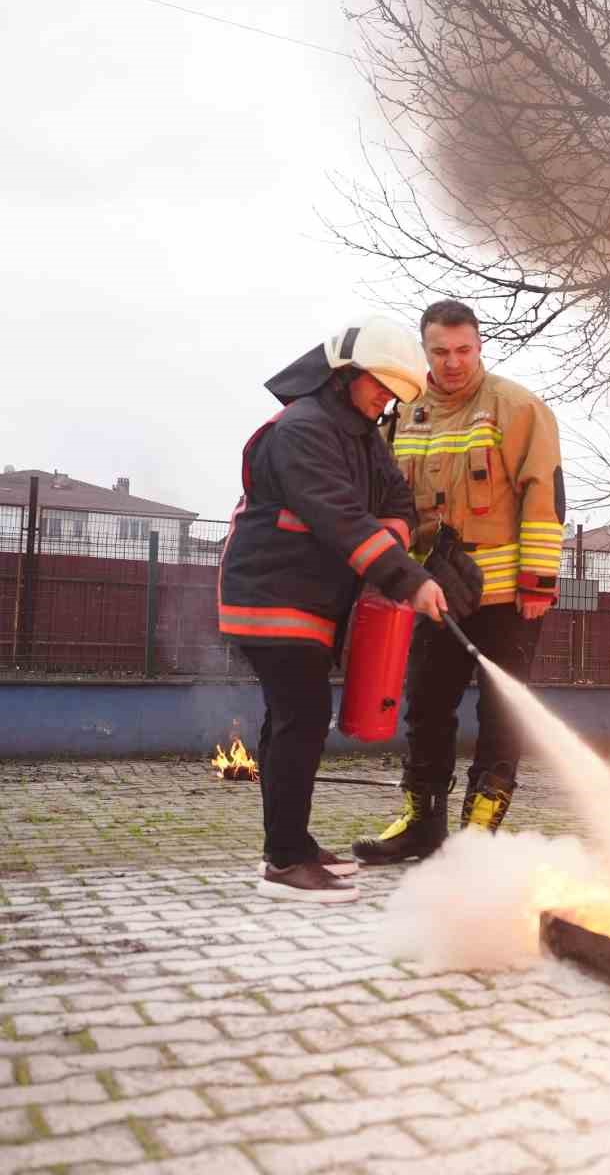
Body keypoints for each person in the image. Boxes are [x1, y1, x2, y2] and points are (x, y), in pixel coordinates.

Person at [219, 317, 449, 903]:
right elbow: (340, 518)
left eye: (396, 393)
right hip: (273, 596)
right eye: (380, 385)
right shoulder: (303, 429)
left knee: (289, 721)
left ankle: (288, 841)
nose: (386, 400)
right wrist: (408, 578)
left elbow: (395, 499)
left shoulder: (362, 434)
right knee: (302, 717)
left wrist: (393, 544)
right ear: (346, 372)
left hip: (309, 600)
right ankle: (284, 861)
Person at [353, 299, 565, 864]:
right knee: (424, 708)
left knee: (501, 713)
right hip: (433, 595)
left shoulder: (516, 408)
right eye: (440, 352)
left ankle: (479, 834)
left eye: (464, 350)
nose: (452, 363)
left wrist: (538, 583)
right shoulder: (403, 414)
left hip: (507, 601)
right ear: (424, 352)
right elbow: (388, 503)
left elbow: (545, 495)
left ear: (479, 346)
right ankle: (422, 823)